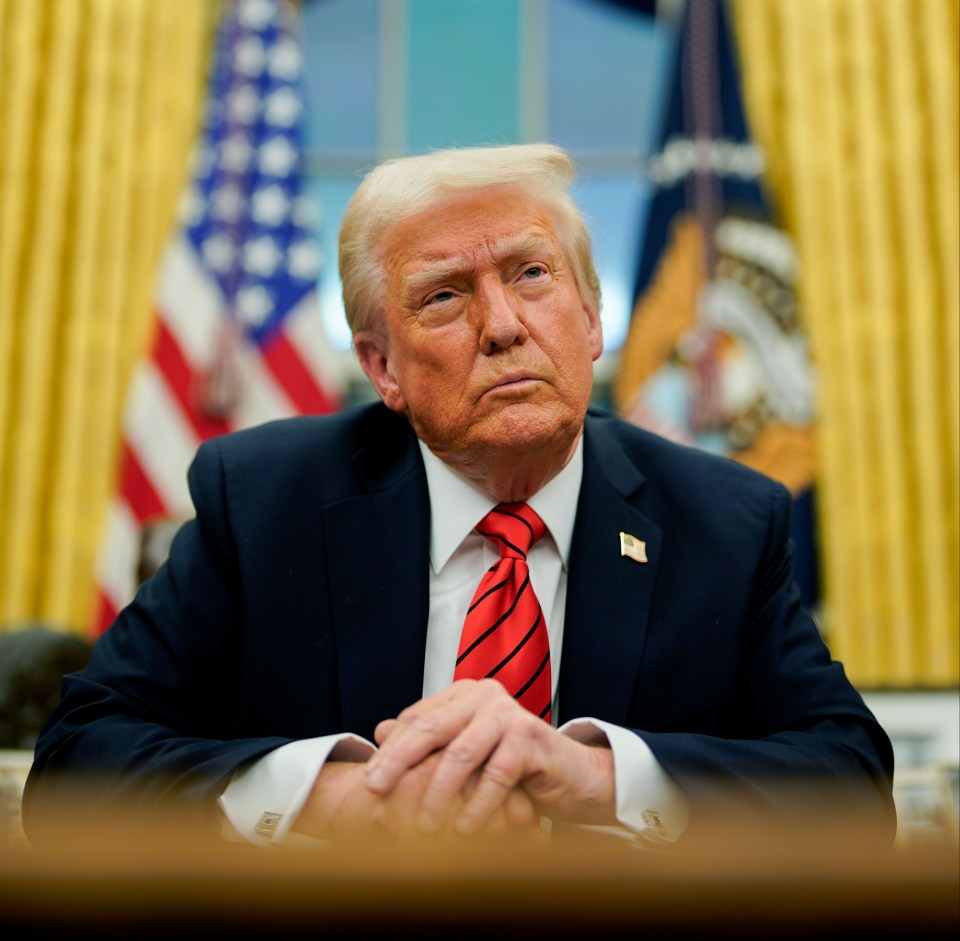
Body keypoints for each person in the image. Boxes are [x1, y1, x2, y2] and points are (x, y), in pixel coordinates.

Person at [22, 144, 895, 848]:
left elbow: (850, 777)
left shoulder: (723, 521)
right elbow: (74, 766)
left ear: (592, 321)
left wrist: (588, 773)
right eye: (444, 296)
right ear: (381, 368)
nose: (504, 326)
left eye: (532, 275)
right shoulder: (264, 503)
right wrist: (341, 796)